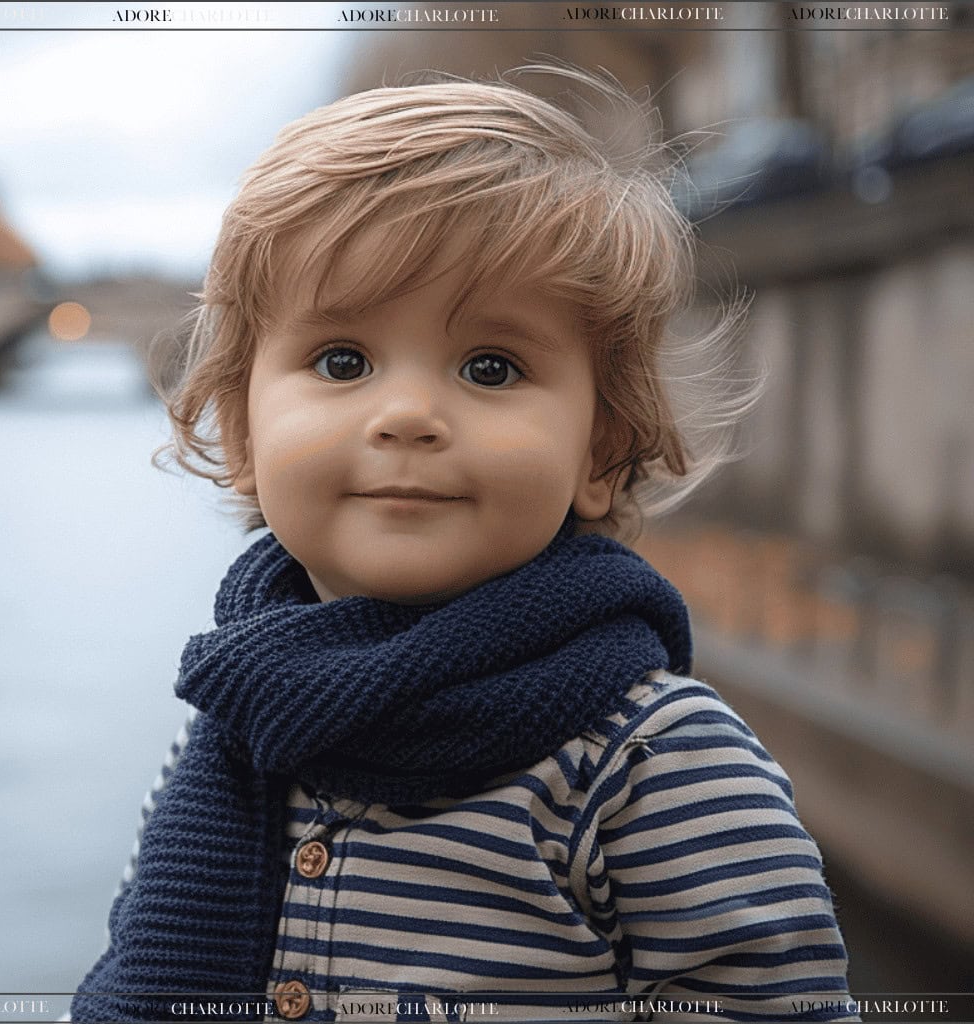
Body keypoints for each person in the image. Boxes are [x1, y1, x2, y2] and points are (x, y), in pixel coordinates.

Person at [70, 68, 857, 1023]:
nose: (406, 414)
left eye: (492, 367)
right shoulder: (237, 719)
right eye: (342, 362)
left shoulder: (656, 765)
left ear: (600, 451)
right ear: (241, 434)